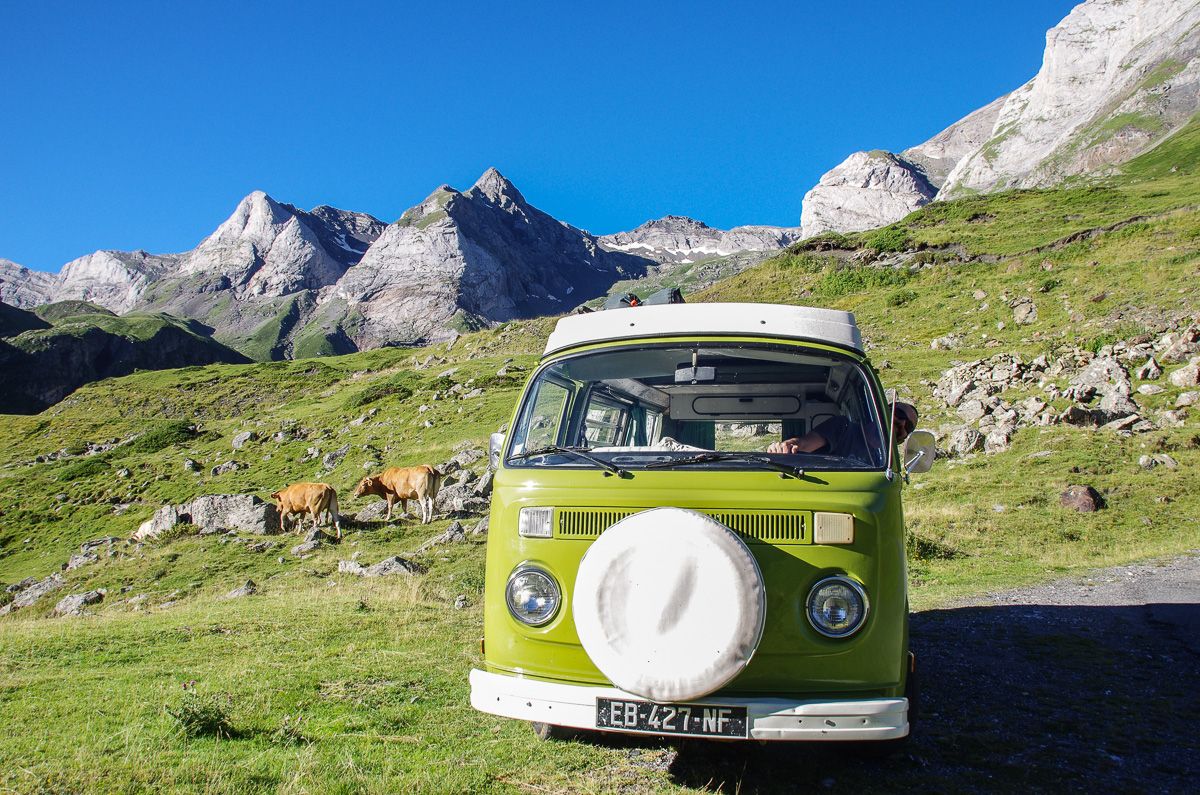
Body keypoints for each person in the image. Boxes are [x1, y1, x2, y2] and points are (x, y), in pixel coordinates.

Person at [767, 401, 918, 460]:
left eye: (909, 426)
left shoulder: (886, 462)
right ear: (883, 411)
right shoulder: (843, 428)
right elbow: (804, 443)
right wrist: (785, 447)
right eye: (900, 414)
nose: (903, 423)